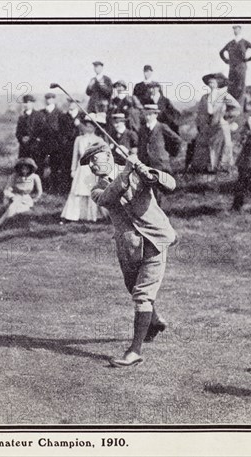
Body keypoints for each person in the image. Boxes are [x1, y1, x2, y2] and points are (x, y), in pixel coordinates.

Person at [86, 143, 176, 368]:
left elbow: (171, 185)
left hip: (156, 240)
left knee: (142, 295)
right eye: (87, 163)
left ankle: (134, 351)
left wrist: (151, 174)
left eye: (93, 160)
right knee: (134, 289)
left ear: (108, 156)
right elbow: (109, 197)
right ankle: (153, 321)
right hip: (128, 248)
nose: (90, 165)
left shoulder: (137, 171)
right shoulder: (96, 190)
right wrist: (127, 171)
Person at [189, 73, 241, 174]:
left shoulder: (224, 95)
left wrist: (226, 116)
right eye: (209, 82)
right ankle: (206, 168)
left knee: (222, 145)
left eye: (213, 82)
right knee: (205, 146)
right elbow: (200, 112)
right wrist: (199, 124)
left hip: (220, 125)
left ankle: (222, 168)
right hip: (206, 126)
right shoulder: (204, 97)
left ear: (218, 83)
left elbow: (237, 108)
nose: (210, 84)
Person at [60, 116, 108, 223]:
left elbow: (103, 157)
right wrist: (73, 169)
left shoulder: (99, 140)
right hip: (81, 169)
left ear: (95, 128)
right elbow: (75, 156)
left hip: (93, 170)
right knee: (78, 192)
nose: (88, 128)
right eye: (87, 126)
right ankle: (74, 215)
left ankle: (92, 216)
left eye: (91, 126)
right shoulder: (79, 139)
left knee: (91, 191)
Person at [0, 158, 42, 229]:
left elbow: (39, 192)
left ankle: (3, 225)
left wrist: (35, 199)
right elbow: (7, 189)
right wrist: (10, 196)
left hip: (26, 199)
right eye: (22, 168)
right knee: (7, 208)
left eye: (26, 168)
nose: (24, 170)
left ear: (30, 168)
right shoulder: (14, 176)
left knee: (17, 210)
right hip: (14, 196)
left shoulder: (35, 177)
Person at [219, 25, 251, 104]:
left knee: (240, 86)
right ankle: (231, 106)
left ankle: (240, 107)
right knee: (231, 85)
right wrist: (226, 61)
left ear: (240, 30)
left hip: (241, 67)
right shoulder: (230, 43)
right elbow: (221, 52)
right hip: (232, 67)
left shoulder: (244, 42)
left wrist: (248, 59)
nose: (235, 31)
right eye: (234, 29)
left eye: (237, 29)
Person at [58, 98, 85, 193]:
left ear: (78, 104)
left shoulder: (82, 116)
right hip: (67, 146)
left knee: (79, 165)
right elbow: (60, 131)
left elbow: (86, 130)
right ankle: (67, 189)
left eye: (74, 102)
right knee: (67, 166)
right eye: (70, 102)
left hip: (80, 145)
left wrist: (79, 124)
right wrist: (63, 142)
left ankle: (78, 188)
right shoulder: (63, 116)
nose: (72, 104)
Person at [38, 92, 63, 191]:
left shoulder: (59, 113)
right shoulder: (41, 113)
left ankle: (54, 187)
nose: (49, 100)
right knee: (40, 165)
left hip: (55, 144)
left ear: (54, 100)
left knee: (55, 166)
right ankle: (41, 187)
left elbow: (61, 129)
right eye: (47, 99)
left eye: (51, 98)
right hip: (42, 143)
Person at [16, 94, 44, 168]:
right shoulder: (21, 117)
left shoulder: (39, 116)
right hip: (24, 148)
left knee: (36, 167)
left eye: (29, 102)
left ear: (32, 104)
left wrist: (31, 138)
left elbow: (41, 131)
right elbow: (18, 132)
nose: (26, 104)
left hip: (35, 147)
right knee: (24, 168)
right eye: (25, 102)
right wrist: (21, 138)